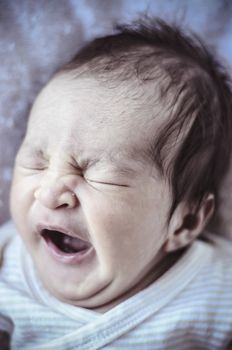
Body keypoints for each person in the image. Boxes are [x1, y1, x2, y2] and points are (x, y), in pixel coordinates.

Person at [0, 18, 232, 350]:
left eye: (100, 174)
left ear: (186, 221)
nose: (50, 193)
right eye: (37, 161)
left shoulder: (216, 289)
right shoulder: (8, 263)